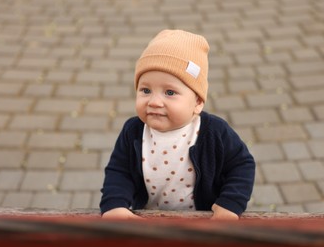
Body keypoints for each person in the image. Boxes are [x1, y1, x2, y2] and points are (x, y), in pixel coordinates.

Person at [100, 29, 255, 220]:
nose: (154, 101)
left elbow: (241, 165)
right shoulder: (133, 131)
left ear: (197, 102)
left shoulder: (214, 132)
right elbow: (119, 171)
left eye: (170, 93)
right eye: (146, 90)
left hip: (203, 220)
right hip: (149, 219)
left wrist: (230, 205)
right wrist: (114, 205)